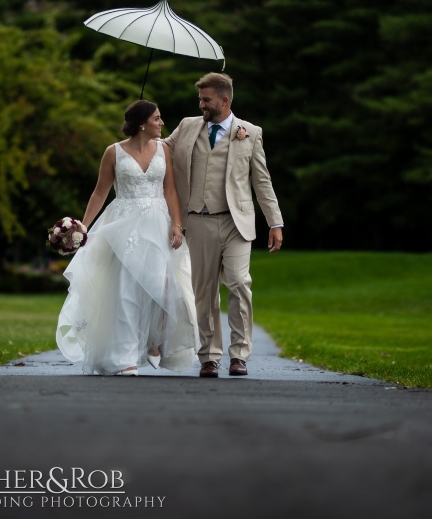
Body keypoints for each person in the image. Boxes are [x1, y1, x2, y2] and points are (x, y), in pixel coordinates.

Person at [56, 100, 199, 376]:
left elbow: (170, 191)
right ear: (142, 123)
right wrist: (82, 228)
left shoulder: (163, 150)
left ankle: (155, 341)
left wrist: (177, 224)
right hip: (123, 226)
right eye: (157, 118)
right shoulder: (113, 152)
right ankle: (124, 358)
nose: (161, 123)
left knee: (163, 288)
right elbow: (100, 193)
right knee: (126, 292)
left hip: (159, 224)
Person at [163, 73, 283, 378]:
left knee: (240, 283)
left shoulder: (250, 132)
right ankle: (209, 357)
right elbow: (160, 151)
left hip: (235, 221)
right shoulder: (188, 126)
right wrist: (134, 140)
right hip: (198, 220)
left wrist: (275, 222)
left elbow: (262, 180)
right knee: (203, 292)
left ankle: (239, 354)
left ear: (224, 100)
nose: (201, 104)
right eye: (200, 99)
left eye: (206, 99)